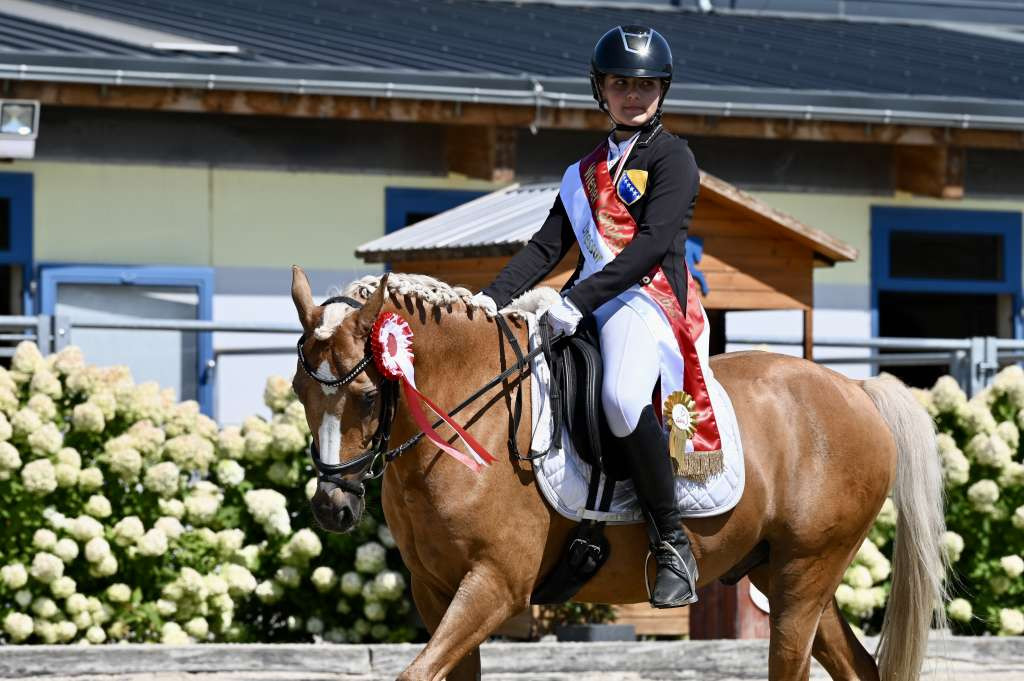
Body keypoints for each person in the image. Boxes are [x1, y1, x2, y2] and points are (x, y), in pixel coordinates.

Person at [472, 25, 708, 609]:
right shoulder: (583, 172)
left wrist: (575, 301)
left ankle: (671, 539)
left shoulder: (673, 156)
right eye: (622, 83)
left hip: (649, 299)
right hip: (593, 299)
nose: (635, 94)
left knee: (624, 399)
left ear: (663, 91)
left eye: (647, 84)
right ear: (600, 89)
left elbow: (650, 246)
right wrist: (487, 300)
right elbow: (545, 248)